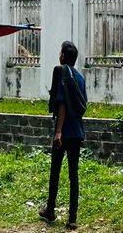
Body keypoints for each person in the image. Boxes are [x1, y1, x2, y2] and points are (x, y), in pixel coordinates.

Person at [40, 41, 87, 230]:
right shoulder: (79, 78)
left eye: (60, 52)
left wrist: (58, 131)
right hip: (77, 131)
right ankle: (72, 218)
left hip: (64, 132)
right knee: (73, 175)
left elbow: (62, 104)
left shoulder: (62, 74)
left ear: (63, 56)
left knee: (55, 171)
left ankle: (50, 210)